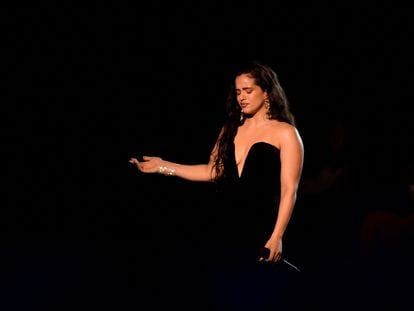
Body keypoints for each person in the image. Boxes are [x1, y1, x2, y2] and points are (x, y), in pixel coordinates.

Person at [129, 60, 304, 309]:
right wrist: (164, 166)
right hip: (225, 230)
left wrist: (277, 236)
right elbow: (213, 171)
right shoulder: (230, 129)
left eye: (248, 90)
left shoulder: (285, 133)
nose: (241, 97)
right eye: (238, 91)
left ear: (267, 92)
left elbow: (290, 190)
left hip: (262, 233)